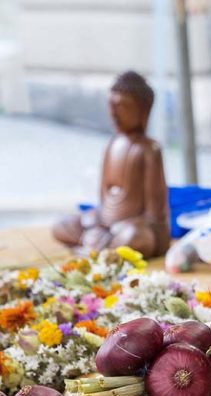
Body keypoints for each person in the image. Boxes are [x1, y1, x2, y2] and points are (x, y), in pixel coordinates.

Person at [52, 71, 170, 258]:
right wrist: (97, 222)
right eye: (111, 105)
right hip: (107, 226)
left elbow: (154, 216)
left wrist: (115, 230)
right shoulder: (112, 144)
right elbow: (104, 200)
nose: (113, 113)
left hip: (132, 228)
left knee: (137, 238)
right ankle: (102, 247)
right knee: (62, 226)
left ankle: (100, 247)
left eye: (122, 106)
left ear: (142, 110)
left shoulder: (149, 150)